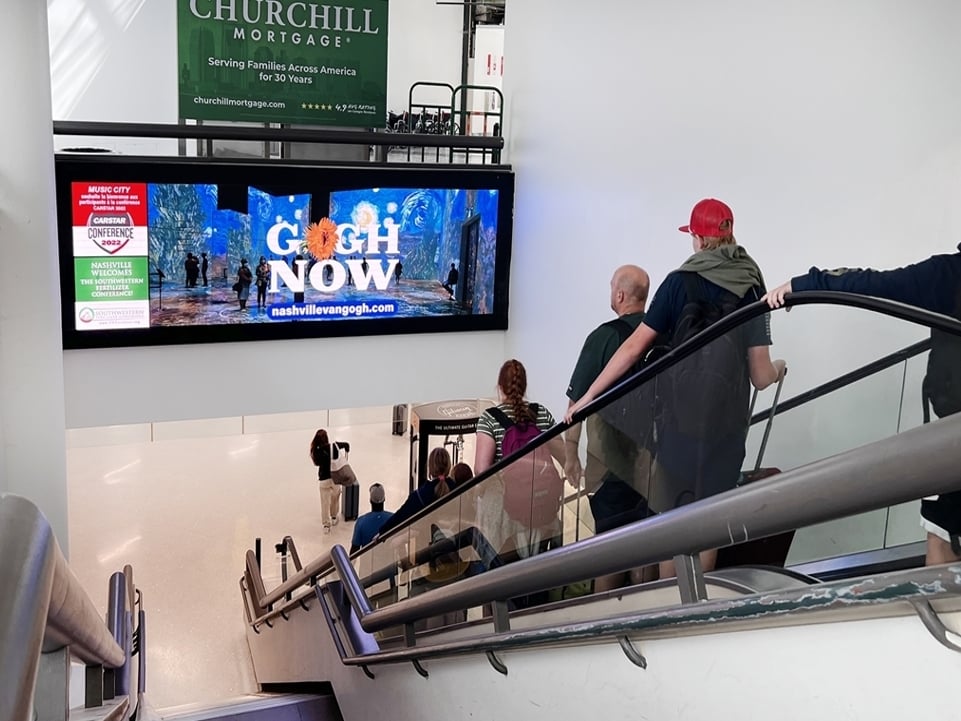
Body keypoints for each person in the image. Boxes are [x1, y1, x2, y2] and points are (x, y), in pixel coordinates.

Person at [566, 199, 786, 577]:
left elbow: (634, 347)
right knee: (708, 526)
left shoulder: (677, 283)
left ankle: (668, 612)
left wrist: (587, 398)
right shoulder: (753, 284)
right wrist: (780, 370)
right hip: (726, 430)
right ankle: (694, 614)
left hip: (678, 430)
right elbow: (761, 376)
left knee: (673, 523)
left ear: (699, 238)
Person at [763, 245, 961, 566]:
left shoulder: (950, 274)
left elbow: (876, 285)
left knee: (941, 538)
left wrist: (805, 284)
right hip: (950, 439)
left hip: (953, 442)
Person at [565, 264, 655, 591]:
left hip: (610, 468)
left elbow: (575, 407)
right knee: (646, 545)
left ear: (619, 294)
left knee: (610, 549)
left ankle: (604, 620)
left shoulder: (603, 337)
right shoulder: (662, 334)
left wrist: (571, 455)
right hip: (654, 464)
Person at [377, 447, 458, 535]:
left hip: (426, 543)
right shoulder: (458, 489)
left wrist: (382, 531)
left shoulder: (419, 495)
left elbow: (400, 516)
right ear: (449, 466)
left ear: (430, 468)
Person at [310, 429, 351, 532]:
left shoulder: (316, 450)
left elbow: (317, 463)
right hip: (335, 478)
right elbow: (346, 445)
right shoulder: (333, 447)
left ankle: (326, 525)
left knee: (324, 502)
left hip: (323, 479)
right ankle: (333, 516)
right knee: (335, 498)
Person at [350, 484, 393, 553]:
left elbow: (354, 549)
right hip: (390, 562)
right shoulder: (394, 519)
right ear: (384, 499)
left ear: (370, 500)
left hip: (367, 562)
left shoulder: (361, 522)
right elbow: (400, 546)